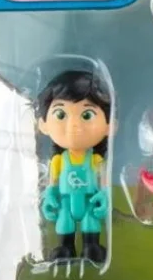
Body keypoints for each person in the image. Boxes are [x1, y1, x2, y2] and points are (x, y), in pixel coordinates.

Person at [35, 69, 112, 263]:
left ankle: (91, 247)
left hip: (88, 201)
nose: (74, 125)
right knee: (64, 223)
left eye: (86, 115)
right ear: (43, 124)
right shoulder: (59, 161)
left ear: (109, 125)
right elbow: (52, 184)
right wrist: (50, 197)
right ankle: (65, 247)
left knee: (90, 223)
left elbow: (103, 182)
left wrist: (103, 195)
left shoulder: (95, 160)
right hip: (65, 203)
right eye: (61, 114)